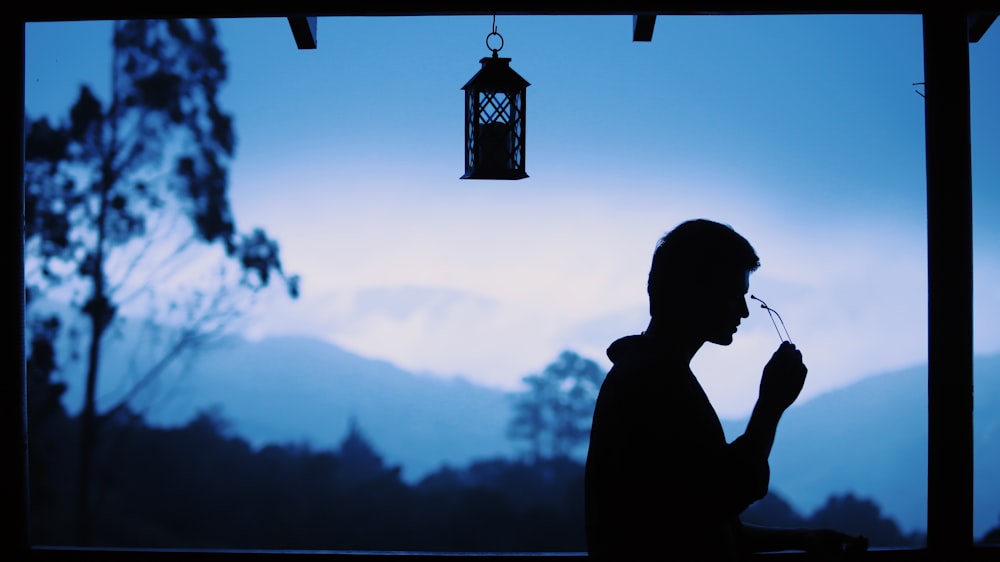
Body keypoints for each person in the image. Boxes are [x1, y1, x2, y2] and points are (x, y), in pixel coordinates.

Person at [583, 219, 866, 560]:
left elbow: (695, 519)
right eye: (734, 295)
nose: (745, 311)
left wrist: (803, 537)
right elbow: (724, 493)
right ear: (695, 293)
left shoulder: (649, 374)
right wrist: (770, 405)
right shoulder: (653, 385)